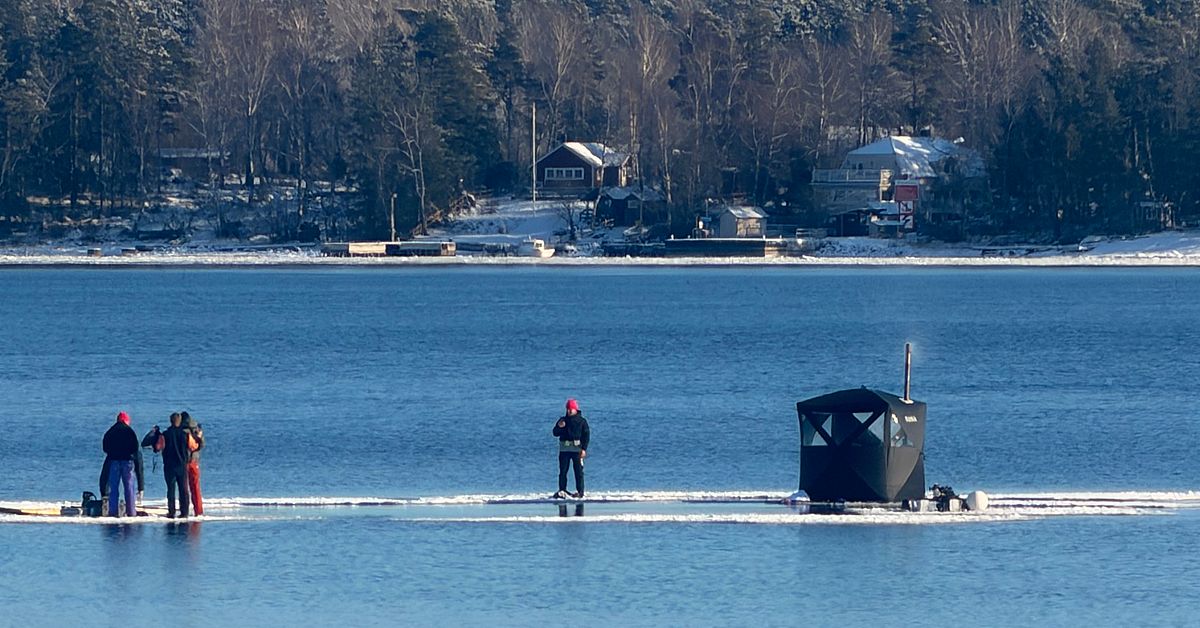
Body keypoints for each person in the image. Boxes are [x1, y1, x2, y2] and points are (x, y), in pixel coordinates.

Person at [101, 411, 140, 517]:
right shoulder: (130, 431)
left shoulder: (110, 431)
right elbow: (135, 448)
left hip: (114, 461)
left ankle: (113, 512)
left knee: (113, 488)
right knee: (129, 487)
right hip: (127, 461)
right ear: (126, 421)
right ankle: (131, 512)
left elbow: (105, 447)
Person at [552, 398, 590, 499]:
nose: (569, 411)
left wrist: (584, 449)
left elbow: (586, 435)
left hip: (577, 449)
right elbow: (555, 433)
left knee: (578, 471)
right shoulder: (562, 420)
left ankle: (580, 491)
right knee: (563, 471)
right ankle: (562, 490)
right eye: (568, 409)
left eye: (571, 409)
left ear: (575, 409)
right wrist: (560, 427)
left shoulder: (582, 421)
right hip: (564, 449)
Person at [160, 412, 191, 518]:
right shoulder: (185, 434)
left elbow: (159, 447)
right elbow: (192, 446)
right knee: (183, 489)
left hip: (169, 465)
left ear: (170, 421)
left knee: (171, 489)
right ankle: (184, 511)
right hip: (182, 464)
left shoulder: (165, 434)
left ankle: (172, 511)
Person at [182, 411, 205, 516]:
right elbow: (201, 444)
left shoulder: (183, 431)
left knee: (184, 487)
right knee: (195, 487)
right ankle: (198, 511)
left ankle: (185, 511)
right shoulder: (196, 429)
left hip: (184, 461)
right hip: (194, 460)